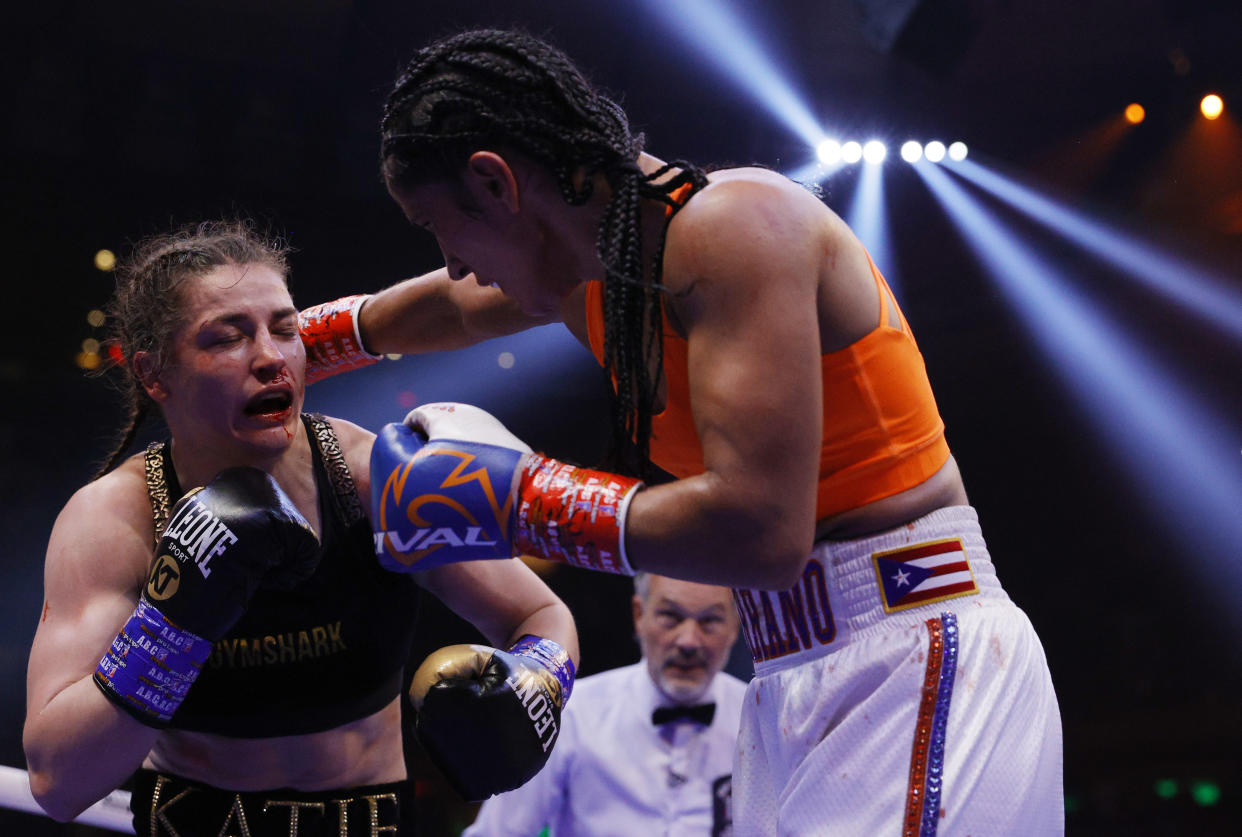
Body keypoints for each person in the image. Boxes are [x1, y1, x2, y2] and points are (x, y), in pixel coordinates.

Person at [304, 28, 1063, 835]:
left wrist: (520, 496)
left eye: (438, 226)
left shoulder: (738, 225)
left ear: (496, 182)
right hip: (788, 672)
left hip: (911, 643)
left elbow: (761, 533)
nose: (455, 262)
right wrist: (287, 345)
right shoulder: (598, 279)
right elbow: (437, 310)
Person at [23, 220, 579, 836]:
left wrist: (535, 685)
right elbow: (57, 783)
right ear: (155, 374)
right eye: (226, 338)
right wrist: (174, 623)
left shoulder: (373, 480)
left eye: (285, 330)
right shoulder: (117, 520)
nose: (270, 358)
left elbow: (542, 619)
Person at [465, 573, 748, 837]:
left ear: (737, 626)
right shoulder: (573, 715)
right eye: (670, 616)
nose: (688, 642)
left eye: (709, 621)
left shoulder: (759, 718)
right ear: (640, 615)